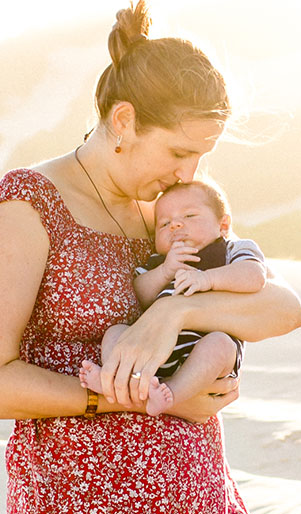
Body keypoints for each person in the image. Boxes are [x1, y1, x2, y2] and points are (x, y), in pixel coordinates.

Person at [0, 0, 301, 514]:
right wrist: (134, 402)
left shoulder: (169, 216)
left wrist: (176, 313)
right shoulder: (30, 205)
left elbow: (283, 308)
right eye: (179, 151)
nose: (188, 174)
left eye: (201, 157)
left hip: (199, 513)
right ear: (124, 121)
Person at [79, 178, 266, 417]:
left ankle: (171, 394)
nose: (175, 225)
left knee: (220, 345)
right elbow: (138, 295)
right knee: (115, 332)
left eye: (189, 216)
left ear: (223, 224)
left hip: (204, 350)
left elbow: (254, 276)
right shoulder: (159, 262)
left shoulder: (231, 250)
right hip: (151, 350)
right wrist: (165, 270)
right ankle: (113, 378)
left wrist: (207, 279)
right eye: (164, 224)